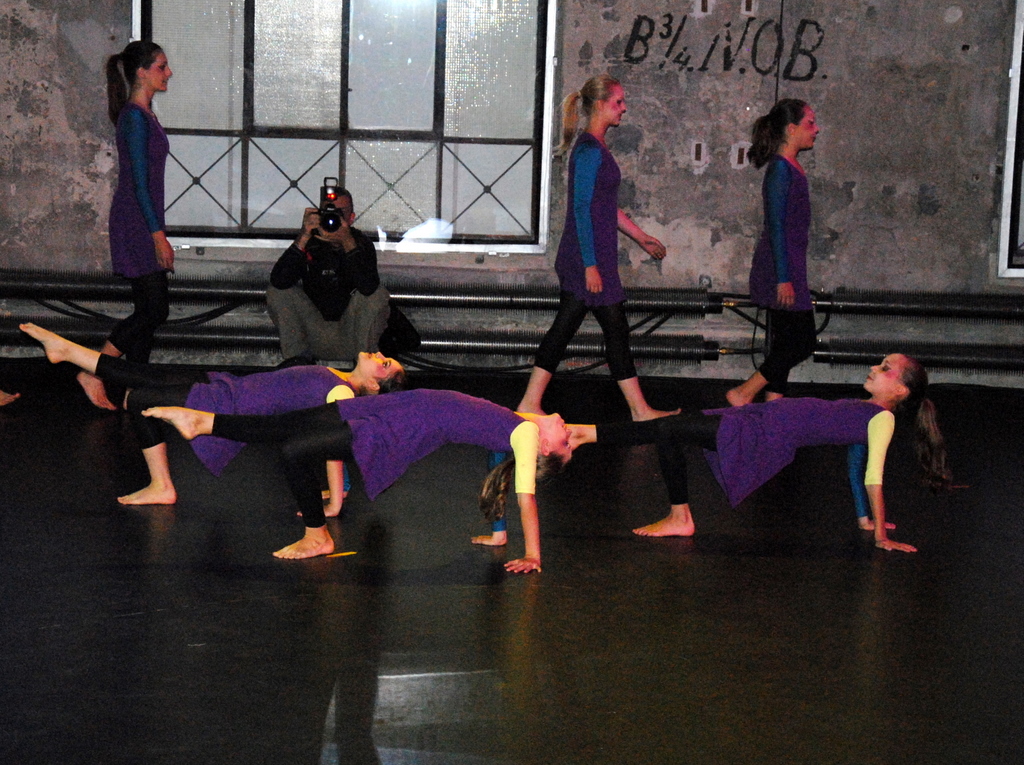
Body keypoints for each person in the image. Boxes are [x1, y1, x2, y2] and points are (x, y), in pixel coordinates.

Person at [143, 389, 575, 569]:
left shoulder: (525, 434)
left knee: (294, 448)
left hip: (399, 427)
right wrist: (498, 535)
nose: (567, 429)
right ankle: (205, 422)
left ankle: (317, 536)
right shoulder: (518, 427)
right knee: (291, 424)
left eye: (566, 442)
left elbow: (525, 499)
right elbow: (496, 467)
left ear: (544, 450)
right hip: (395, 407)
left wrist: (532, 554)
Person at [573, 354, 951, 552]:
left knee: (670, 428)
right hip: (758, 418)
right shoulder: (867, 411)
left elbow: (872, 476)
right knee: (672, 427)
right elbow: (855, 464)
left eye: (885, 369)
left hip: (761, 435)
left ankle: (675, 513)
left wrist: (881, 535)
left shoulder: (882, 420)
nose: (874, 368)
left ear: (900, 391)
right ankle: (584, 435)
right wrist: (864, 520)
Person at [20, 323, 405, 512]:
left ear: (374, 386)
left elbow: (332, 447)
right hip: (230, 387)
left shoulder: (341, 392)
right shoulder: (337, 378)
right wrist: (338, 493)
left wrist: (334, 503)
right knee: (141, 385)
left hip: (230, 405)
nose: (379, 356)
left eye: (385, 364)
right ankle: (67, 351)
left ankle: (67, 351)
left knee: (140, 393)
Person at [518, 74, 674, 422]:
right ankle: (638, 410)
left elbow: (605, 207)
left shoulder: (596, 148)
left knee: (600, 329)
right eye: (618, 102)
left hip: (592, 257)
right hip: (585, 258)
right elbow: (581, 208)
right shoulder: (589, 150)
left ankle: (637, 409)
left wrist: (641, 237)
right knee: (591, 329)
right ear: (601, 105)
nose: (623, 108)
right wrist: (590, 265)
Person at [75, 42, 175, 411]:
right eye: (161, 66)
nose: (168, 73)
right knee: (154, 310)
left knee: (148, 310)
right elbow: (137, 183)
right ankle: (93, 371)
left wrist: (157, 229)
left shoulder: (144, 115)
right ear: (141, 72)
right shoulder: (134, 118)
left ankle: (135, 388)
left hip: (142, 219)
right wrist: (157, 235)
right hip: (136, 222)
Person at [727, 99, 821, 407]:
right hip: (780, 267)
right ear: (791, 129)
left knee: (785, 342)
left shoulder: (790, 167)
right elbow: (776, 226)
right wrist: (783, 278)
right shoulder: (780, 169)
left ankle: (773, 408)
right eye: (810, 123)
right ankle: (744, 392)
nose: (816, 129)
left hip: (789, 265)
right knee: (803, 341)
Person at [266, 196, 390, 366]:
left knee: (377, 295)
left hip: (353, 332)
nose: (333, 218)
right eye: (328, 212)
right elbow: (279, 282)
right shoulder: (310, 242)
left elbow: (369, 288)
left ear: (351, 218)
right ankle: (297, 365)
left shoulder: (360, 242)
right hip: (313, 329)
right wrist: (304, 235)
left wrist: (346, 241)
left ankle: (365, 366)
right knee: (278, 292)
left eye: (339, 213)